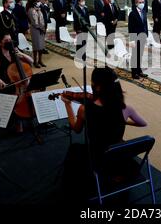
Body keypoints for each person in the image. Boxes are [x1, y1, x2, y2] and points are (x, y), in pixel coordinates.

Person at [60, 67, 147, 200]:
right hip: (119, 156)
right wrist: (123, 121)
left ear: (99, 88)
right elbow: (143, 123)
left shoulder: (84, 109)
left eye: (92, 83)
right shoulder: (125, 108)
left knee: (75, 151)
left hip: (98, 157)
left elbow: (76, 129)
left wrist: (68, 105)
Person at [128, 0, 148, 79]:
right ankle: (134, 73)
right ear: (136, 3)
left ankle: (139, 71)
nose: (142, 4)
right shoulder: (132, 14)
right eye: (140, 2)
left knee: (140, 55)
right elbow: (131, 27)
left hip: (142, 37)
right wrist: (132, 40)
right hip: (135, 37)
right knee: (135, 55)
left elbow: (145, 24)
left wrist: (146, 34)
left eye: (143, 2)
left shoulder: (143, 12)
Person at [28, 0, 46, 68]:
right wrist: (41, 28)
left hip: (41, 29)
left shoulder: (38, 9)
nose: (38, 2)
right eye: (37, 1)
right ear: (33, 3)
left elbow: (42, 19)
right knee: (36, 46)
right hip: (35, 30)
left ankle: (40, 60)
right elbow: (33, 22)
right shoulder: (31, 10)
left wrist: (43, 28)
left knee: (41, 46)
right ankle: (35, 61)